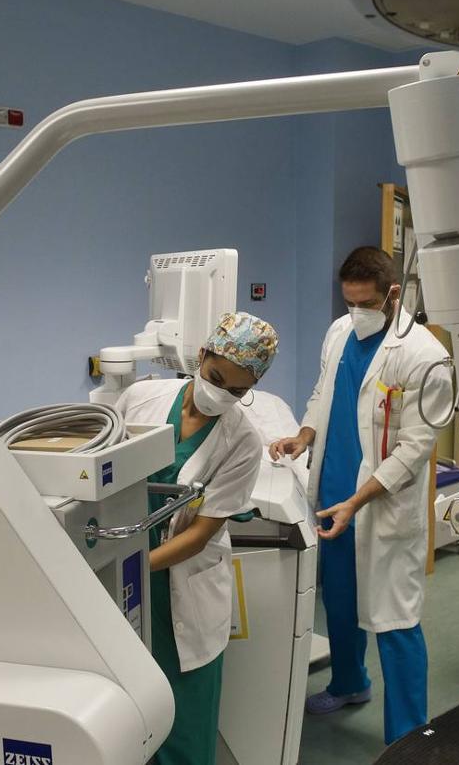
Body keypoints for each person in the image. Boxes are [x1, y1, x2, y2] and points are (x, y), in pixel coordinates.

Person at [270, 246, 451, 745]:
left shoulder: (425, 355)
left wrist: (357, 500)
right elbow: (321, 394)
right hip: (332, 495)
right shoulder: (339, 333)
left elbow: (415, 448)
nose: (356, 312)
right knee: (342, 606)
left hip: (381, 507)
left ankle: (408, 738)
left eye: (366, 303)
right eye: (349, 302)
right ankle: (350, 683)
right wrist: (304, 435)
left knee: (395, 621)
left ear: (393, 294)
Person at [116, 311, 278, 765]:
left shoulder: (242, 441)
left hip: (180, 582)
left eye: (237, 390)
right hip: (126, 570)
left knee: (185, 719)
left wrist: (133, 566)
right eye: (215, 377)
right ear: (201, 355)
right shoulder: (141, 397)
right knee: (129, 710)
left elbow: (201, 534)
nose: (221, 393)